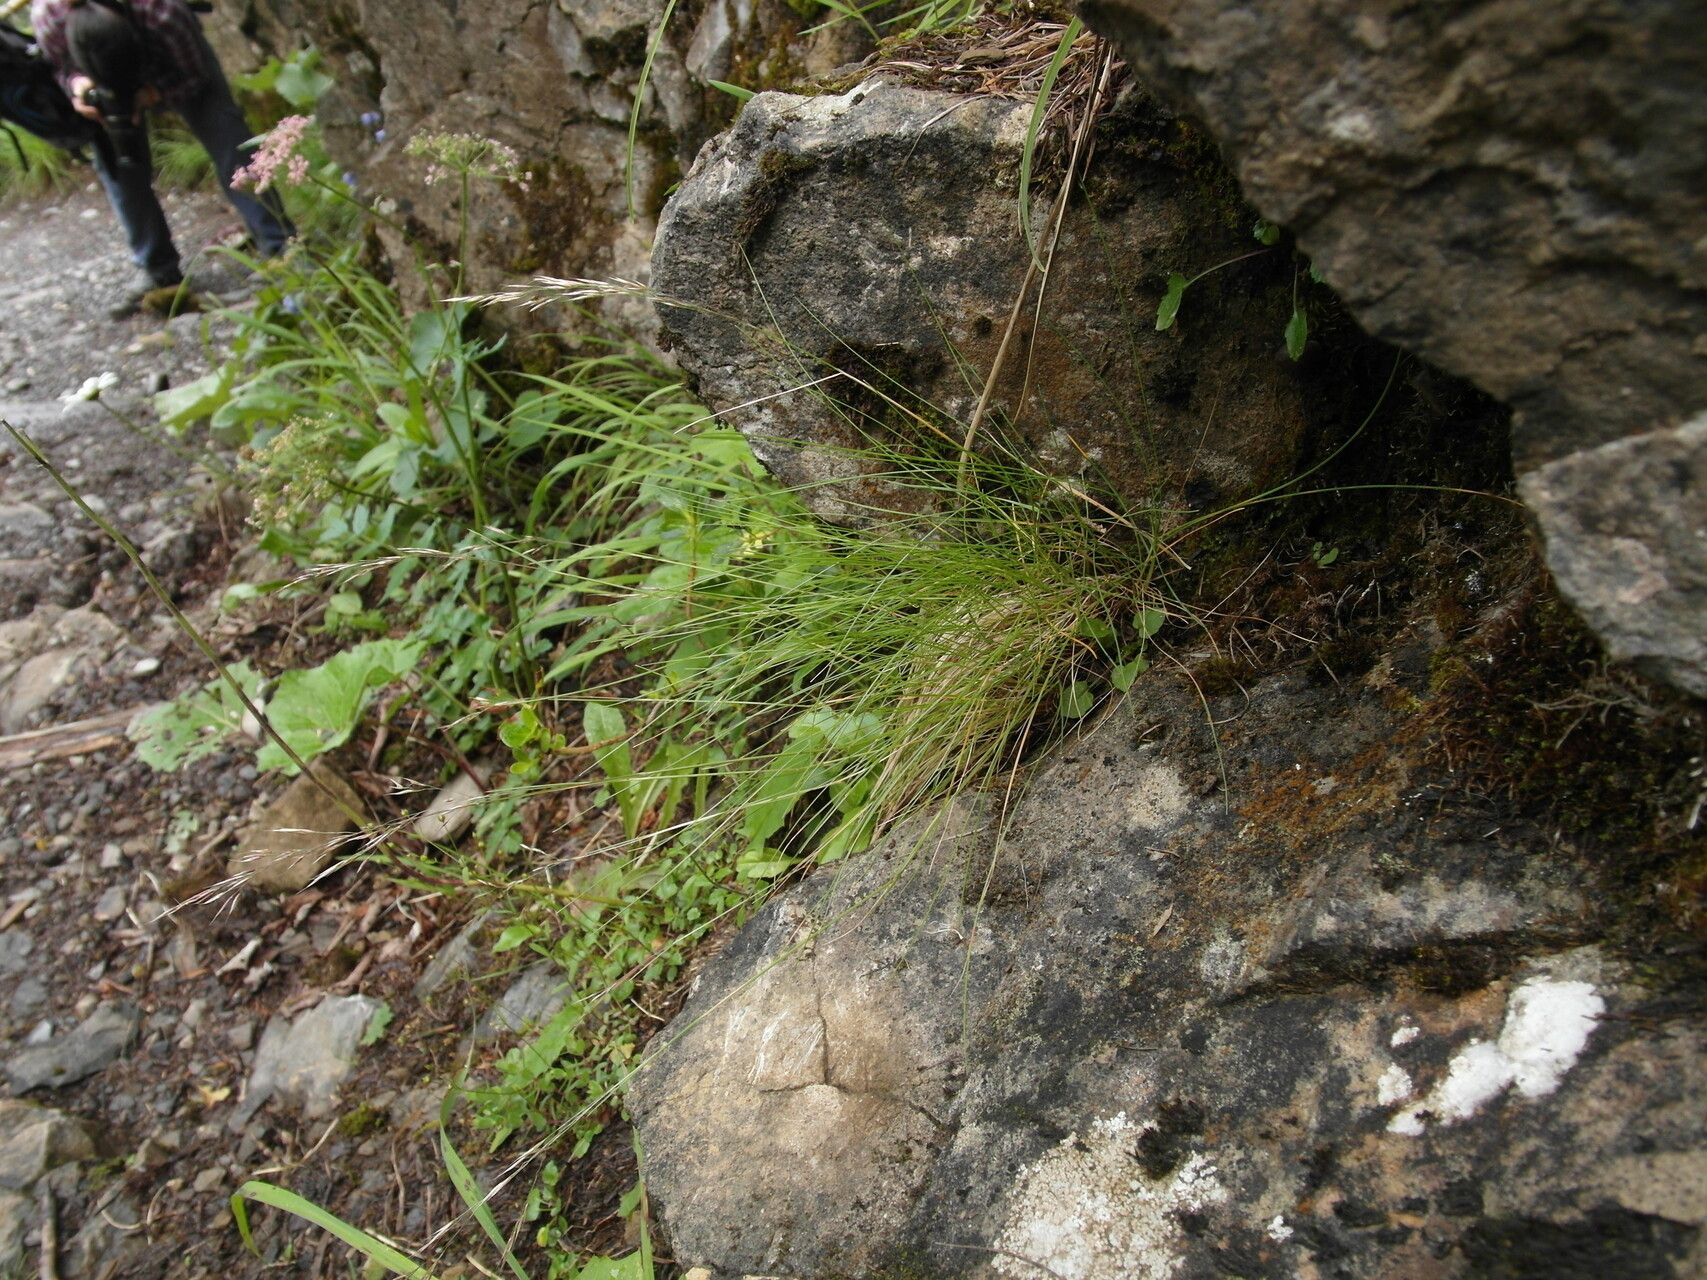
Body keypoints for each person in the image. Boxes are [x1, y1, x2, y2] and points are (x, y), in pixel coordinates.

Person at [28, 0, 292, 307]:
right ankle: (157, 270)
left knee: (228, 140)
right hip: (102, 75)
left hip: (172, 61)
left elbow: (192, 76)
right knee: (117, 166)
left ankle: (282, 249)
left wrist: (148, 95)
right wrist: (79, 88)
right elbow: (61, 68)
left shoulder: (161, 11)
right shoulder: (48, 16)